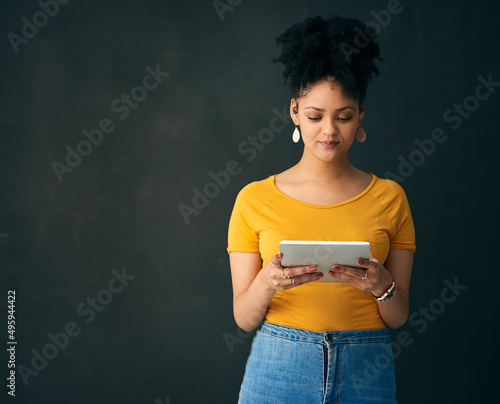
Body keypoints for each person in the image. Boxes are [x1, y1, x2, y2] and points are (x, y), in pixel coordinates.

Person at [226, 15, 416, 404]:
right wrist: (267, 282)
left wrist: (381, 286)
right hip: (277, 368)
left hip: (367, 368)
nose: (329, 130)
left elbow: (398, 316)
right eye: (315, 116)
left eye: (343, 117)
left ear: (361, 115)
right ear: (294, 111)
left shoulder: (390, 197)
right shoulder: (253, 199)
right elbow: (244, 319)